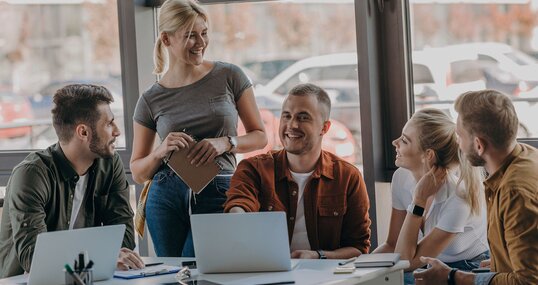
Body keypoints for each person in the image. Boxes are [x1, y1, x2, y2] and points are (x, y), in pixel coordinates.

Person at [130, 0, 267, 257]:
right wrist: (160, 151)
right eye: (190, 36)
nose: (201, 42)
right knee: (172, 277)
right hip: (165, 196)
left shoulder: (230, 76)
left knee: (205, 271)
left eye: (204, 33)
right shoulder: (150, 99)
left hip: (219, 190)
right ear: (166, 39)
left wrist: (226, 143)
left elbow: (260, 137)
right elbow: (137, 172)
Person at [0, 84, 144, 278]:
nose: (117, 131)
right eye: (109, 124)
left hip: (89, 278)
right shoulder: (31, 175)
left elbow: (124, 234)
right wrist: (100, 256)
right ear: (83, 132)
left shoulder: (109, 164)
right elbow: (33, 258)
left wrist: (99, 259)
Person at [224, 83, 371, 259]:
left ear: (324, 128)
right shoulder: (253, 169)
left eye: (303, 117)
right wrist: (237, 219)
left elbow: (359, 248)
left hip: (326, 277)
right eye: (286, 116)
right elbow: (239, 204)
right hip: (267, 275)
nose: (291, 125)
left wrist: (318, 256)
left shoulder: (348, 177)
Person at [414, 90, 538, 285]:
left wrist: (452, 277)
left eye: (459, 136)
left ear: (479, 145)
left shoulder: (515, 192)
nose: (457, 143)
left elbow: (527, 282)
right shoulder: (527, 156)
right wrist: (499, 263)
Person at [372, 108, 489, 284]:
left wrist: (418, 200)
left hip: (465, 269)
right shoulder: (401, 177)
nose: (395, 142)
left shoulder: (458, 197)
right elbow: (392, 244)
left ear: (428, 155)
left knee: (399, 280)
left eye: (404, 140)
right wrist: (355, 270)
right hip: (424, 263)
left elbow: (405, 262)